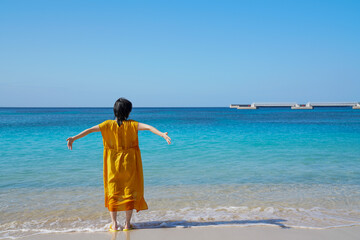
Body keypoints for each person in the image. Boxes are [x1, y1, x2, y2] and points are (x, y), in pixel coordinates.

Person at [66, 98, 171, 231]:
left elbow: (90, 130)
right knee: (129, 190)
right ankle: (127, 224)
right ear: (128, 112)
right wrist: (162, 134)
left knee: (113, 191)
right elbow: (149, 127)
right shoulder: (133, 124)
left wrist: (74, 138)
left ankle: (114, 224)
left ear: (115, 111)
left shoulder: (107, 124)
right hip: (130, 163)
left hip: (112, 164)